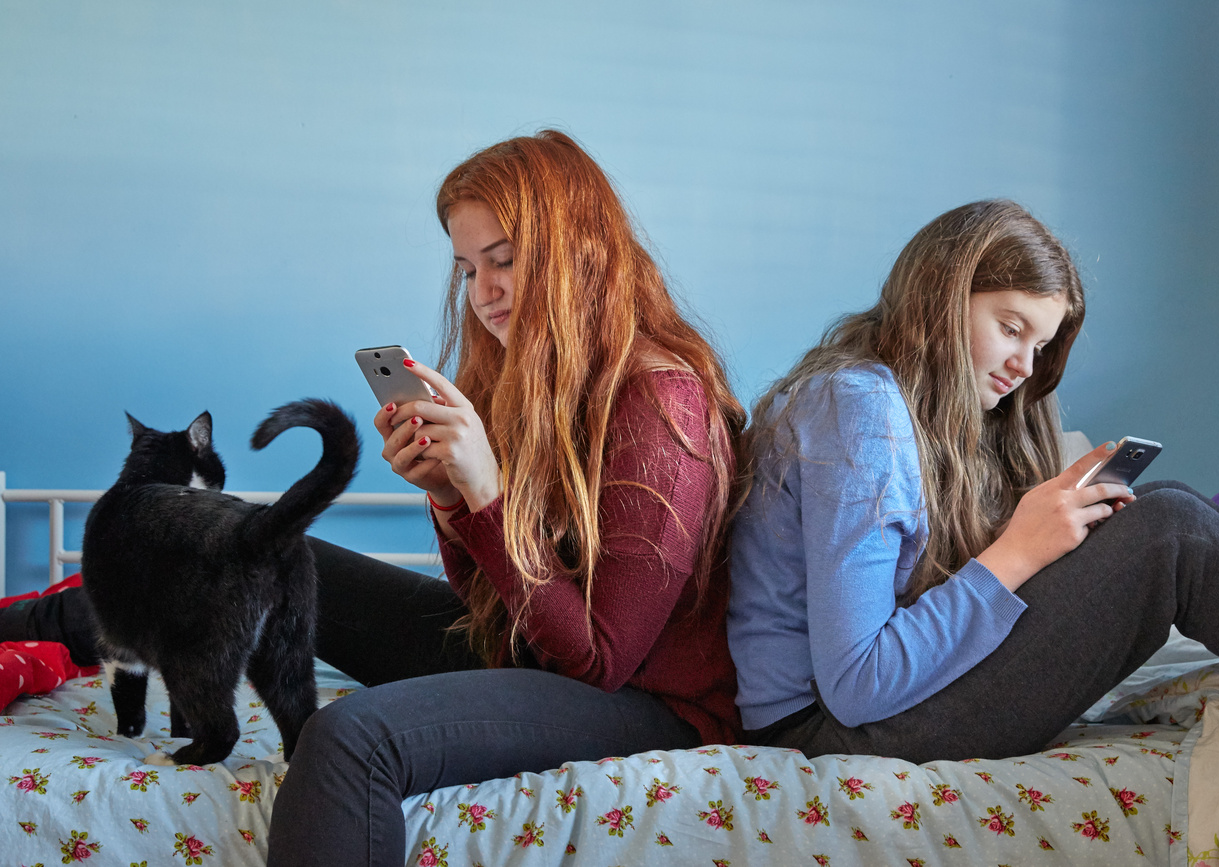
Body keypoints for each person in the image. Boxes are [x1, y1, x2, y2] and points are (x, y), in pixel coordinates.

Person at [1, 130, 747, 866]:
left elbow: (600, 660)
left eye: (505, 263)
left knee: (352, 736)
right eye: (466, 269)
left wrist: (482, 496)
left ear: (577, 253)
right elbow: (493, 602)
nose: (483, 294)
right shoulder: (540, 376)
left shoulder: (661, 402)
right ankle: (28, 622)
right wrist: (451, 501)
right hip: (528, 650)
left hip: (648, 703)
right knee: (263, 547)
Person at [726, 199, 1219, 763]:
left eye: (1041, 345)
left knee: (1167, 506)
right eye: (1010, 328)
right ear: (940, 300)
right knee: (1174, 534)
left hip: (877, 710)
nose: (1025, 366)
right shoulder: (858, 410)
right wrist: (1019, 552)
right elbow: (857, 684)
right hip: (823, 731)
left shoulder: (908, 409)